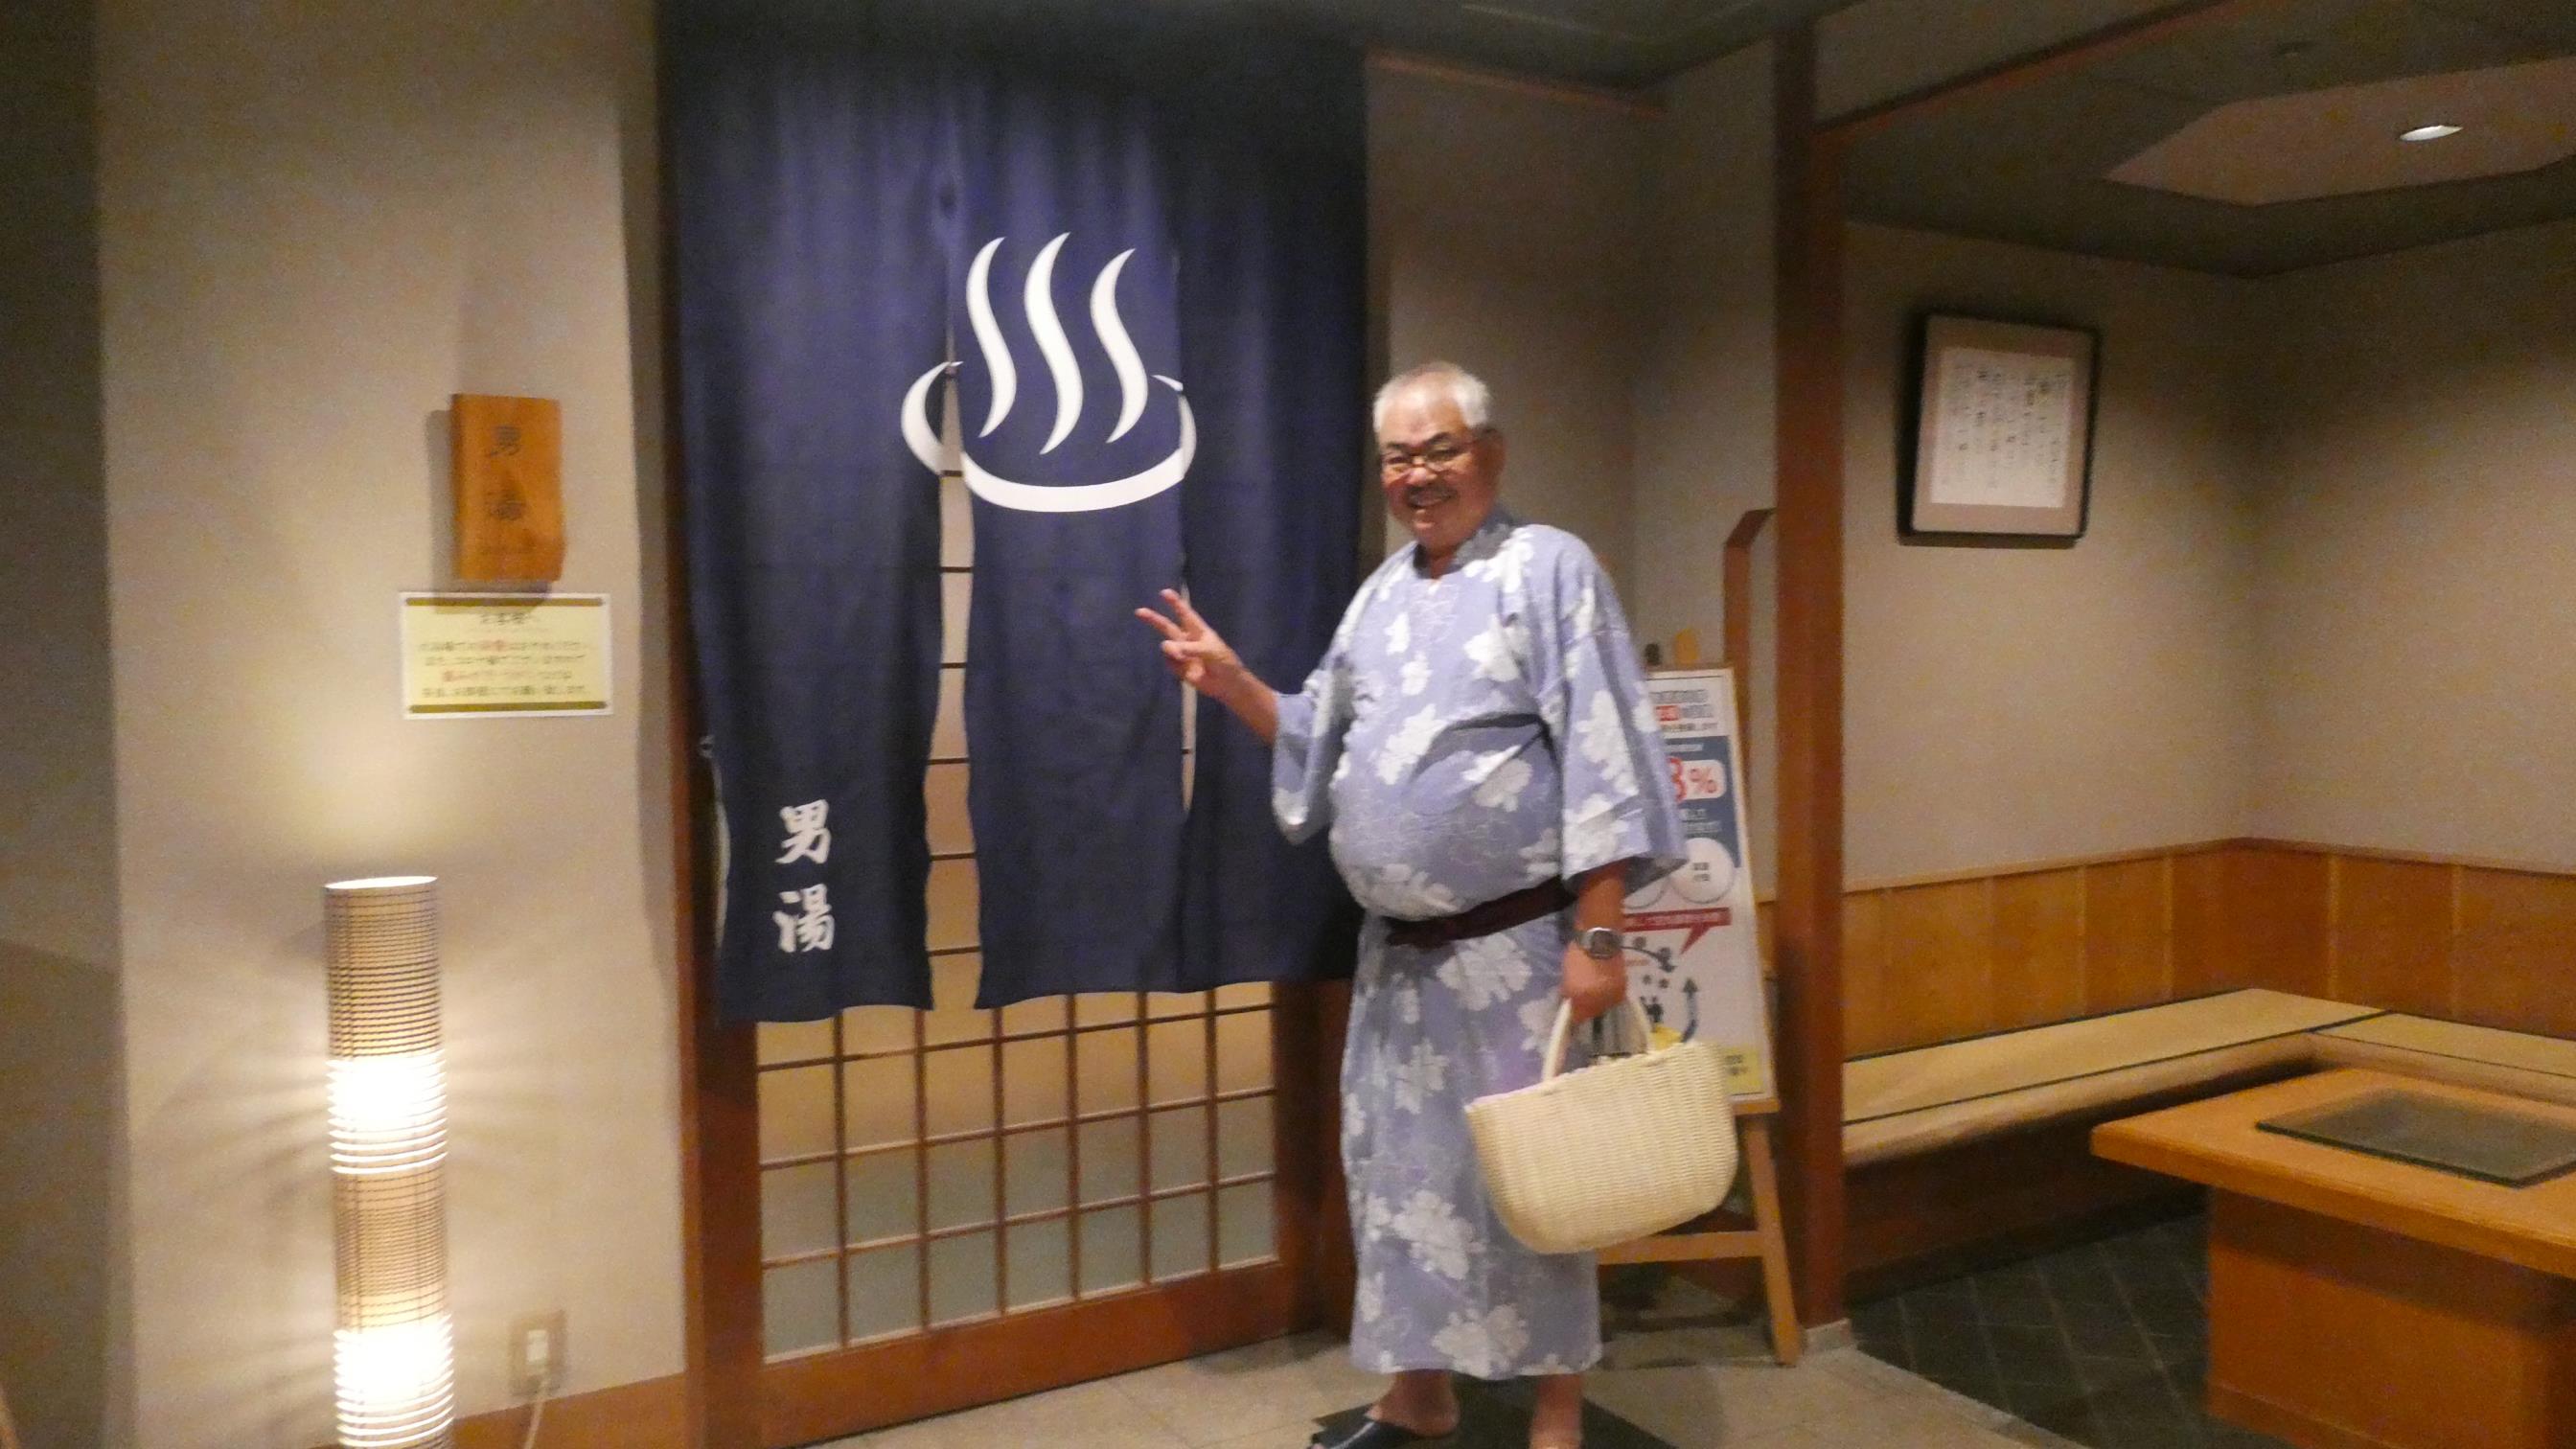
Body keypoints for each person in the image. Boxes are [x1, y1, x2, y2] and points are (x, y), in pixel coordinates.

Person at [1137, 362, 1685, 1449]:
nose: (1418, 475)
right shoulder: (1382, 594)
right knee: (1404, 1182)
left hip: (1517, 951)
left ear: (1492, 452)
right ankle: (1419, 1394)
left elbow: (1606, 753)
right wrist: (1235, 682)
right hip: (1401, 960)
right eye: (1399, 458)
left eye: (1440, 450)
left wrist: (1601, 934)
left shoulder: (1550, 568)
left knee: (1537, 1179)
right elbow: (1319, 735)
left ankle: (1558, 1415)